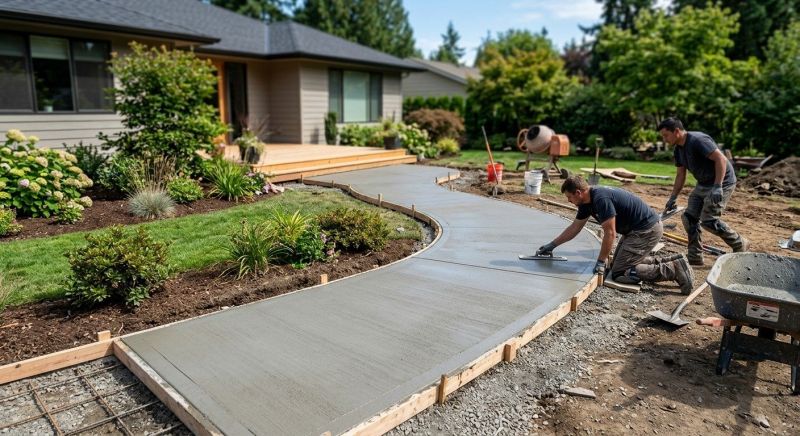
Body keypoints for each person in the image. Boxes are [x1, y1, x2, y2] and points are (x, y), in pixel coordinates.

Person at [535, 175, 695, 294]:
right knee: (616, 265)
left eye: (569, 197)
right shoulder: (586, 202)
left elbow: (610, 233)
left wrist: (600, 261)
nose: (569, 201)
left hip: (646, 230)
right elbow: (575, 228)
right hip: (637, 230)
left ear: (578, 192)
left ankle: (673, 269)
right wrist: (552, 245)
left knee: (620, 272)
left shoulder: (601, 199)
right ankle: (674, 260)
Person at [657, 117, 749, 266]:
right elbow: (680, 175)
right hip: (703, 183)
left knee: (709, 220)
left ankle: (740, 243)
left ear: (677, 131)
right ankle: (695, 256)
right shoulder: (678, 149)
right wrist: (673, 197)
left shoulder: (698, 140)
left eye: (666, 135)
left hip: (722, 182)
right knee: (689, 217)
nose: (664, 139)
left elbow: (721, 159)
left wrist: (718, 186)